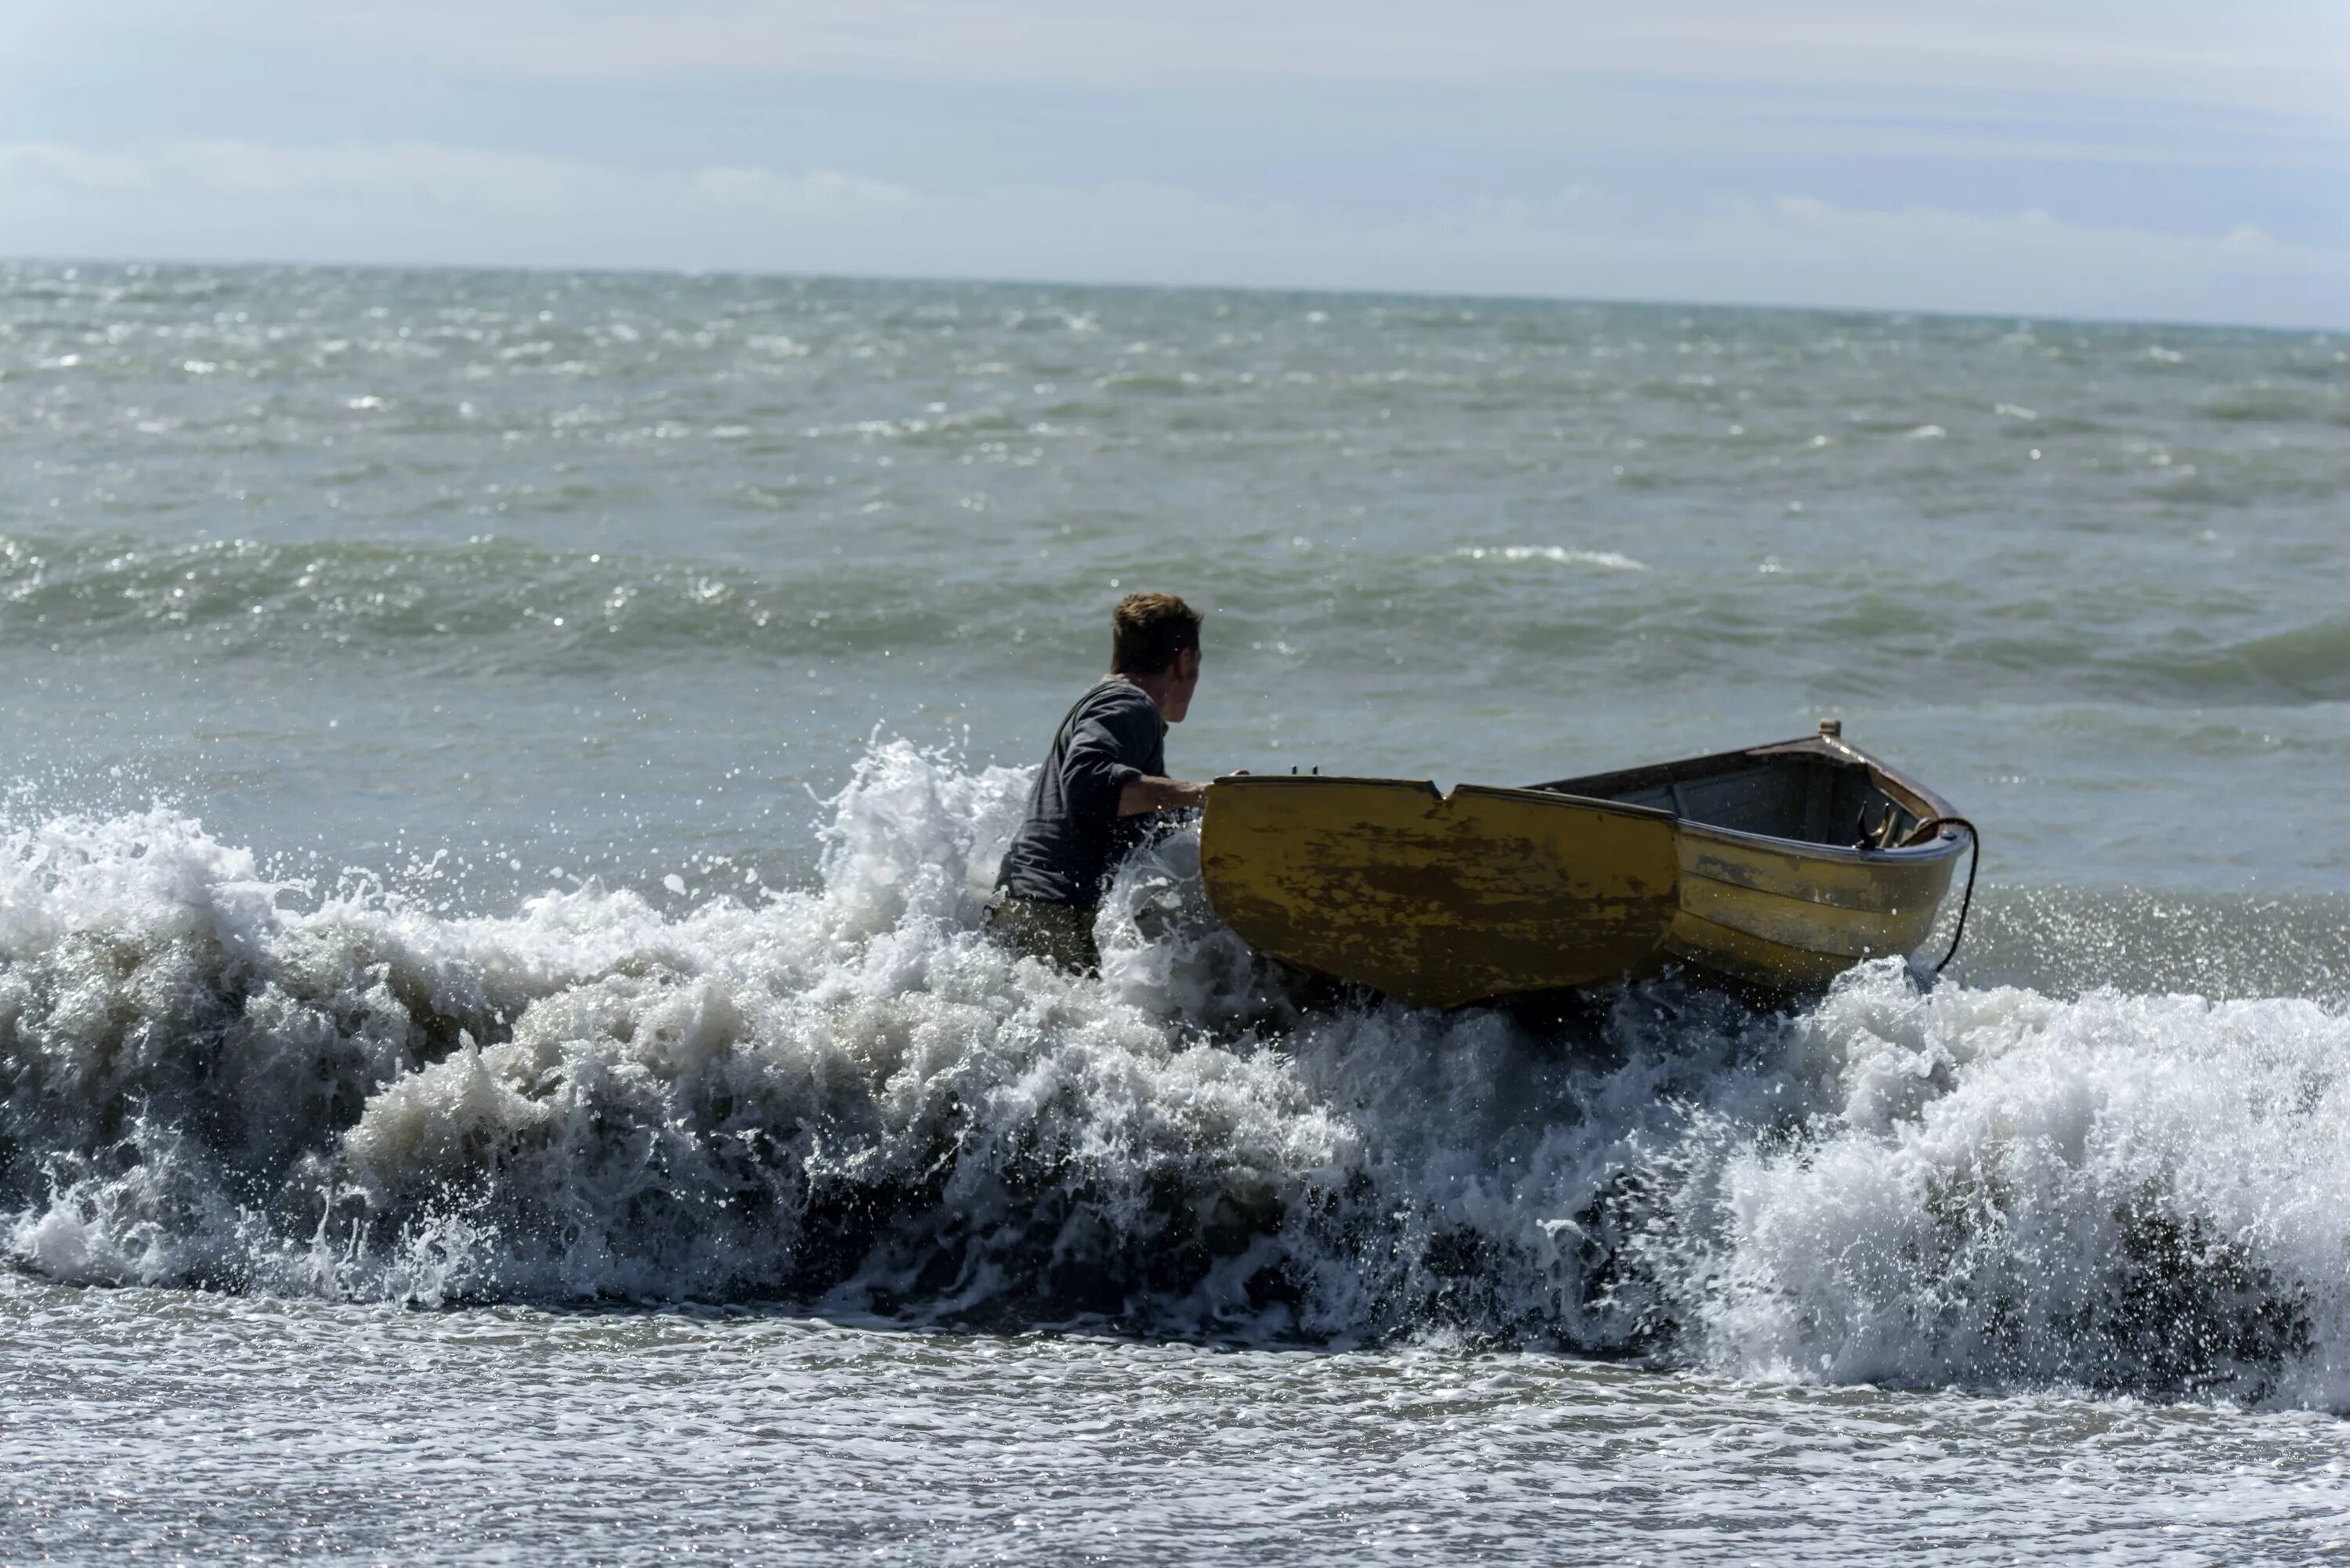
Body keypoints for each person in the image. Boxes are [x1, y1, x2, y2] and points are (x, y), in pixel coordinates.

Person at [987, 592, 1220, 973]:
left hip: (1026, 905)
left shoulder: (1107, 704)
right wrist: (1200, 794)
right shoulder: (1128, 705)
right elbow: (1089, 785)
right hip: (1057, 913)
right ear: (1184, 661)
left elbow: (1116, 805)